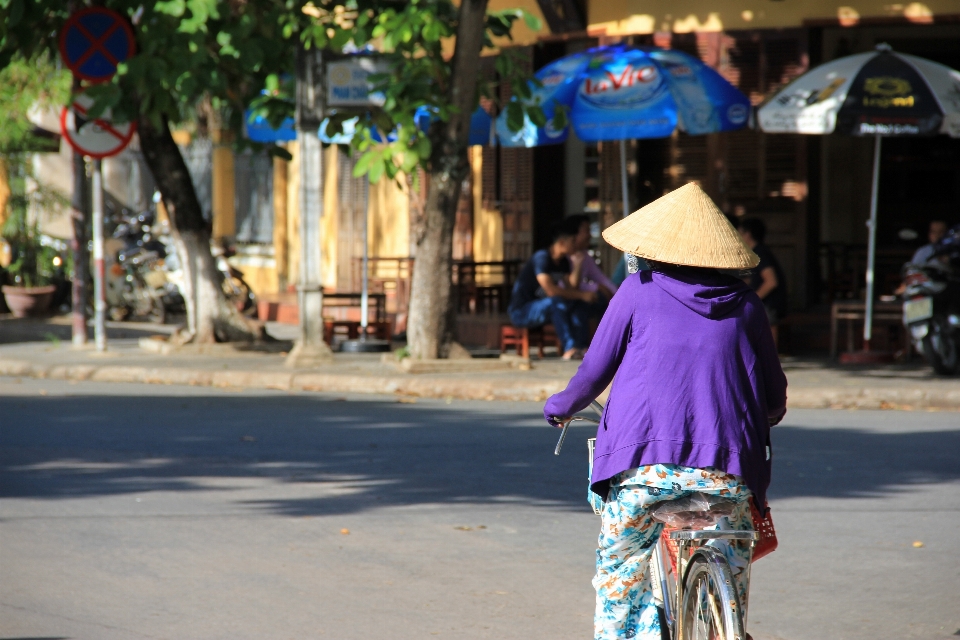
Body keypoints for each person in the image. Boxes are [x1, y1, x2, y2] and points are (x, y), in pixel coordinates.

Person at [543, 183, 787, 640]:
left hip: (643, 472)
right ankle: (724, 625)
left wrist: (559, 406)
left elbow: (593, 372)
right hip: (727, 473)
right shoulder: (748, 304)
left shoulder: (638, 291)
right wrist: (766, 413)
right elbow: (775, 395)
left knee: (622, 569)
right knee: (732, 563)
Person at [508, 223, 597, 359]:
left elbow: (572, 288)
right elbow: (550, 290)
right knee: (555, 302)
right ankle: (569, 348)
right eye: (572, 241)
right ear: (562, 242)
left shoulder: (563, 262)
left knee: (578, 304)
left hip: (545, 308)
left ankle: (581, 347)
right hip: (522, 311)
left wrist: (578, 265)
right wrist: (583, 295)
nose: (576, 244)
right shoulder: (541, 258)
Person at [738, 218, 788, 346]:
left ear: (747, 234)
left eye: (739, 232)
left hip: (769, 304)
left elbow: (771, 282)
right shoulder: (753, 253)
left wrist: (752, 299)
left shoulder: (760, 253)